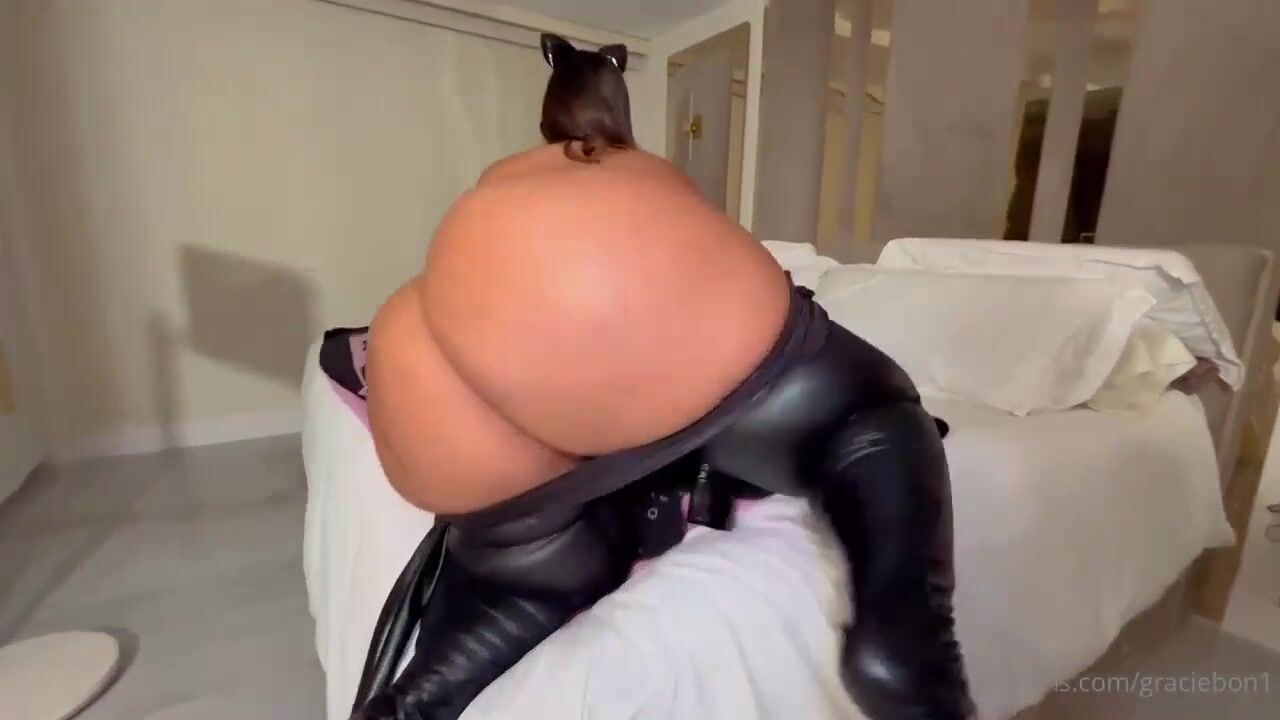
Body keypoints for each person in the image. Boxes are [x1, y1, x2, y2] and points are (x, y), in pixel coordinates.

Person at [349, 34, 974, 720]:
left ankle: (417, 700)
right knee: (870, 419)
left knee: (538, 567)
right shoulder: (628, 170)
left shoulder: (505, 177)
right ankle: (903, 640)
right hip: (616, 331)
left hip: (440, 414)